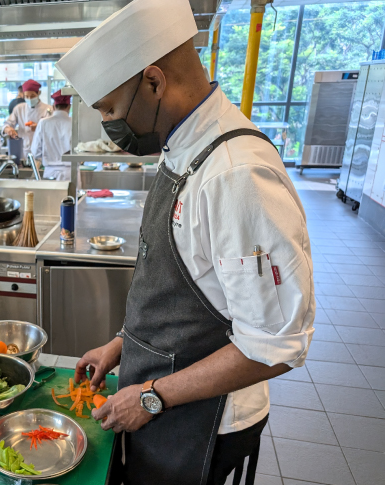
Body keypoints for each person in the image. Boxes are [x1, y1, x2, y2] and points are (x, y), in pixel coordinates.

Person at [55, 0, 315, 483]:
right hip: (165, 401)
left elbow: (274, 346)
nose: (111, 130)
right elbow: (189, 289)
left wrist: (153, 395)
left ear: (154, 81)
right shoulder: (183, 144)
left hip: (207, 423)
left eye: (111, 109)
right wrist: (121, 344)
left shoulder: (236, 175)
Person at [3, 79, 51, 159]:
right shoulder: (19, 108)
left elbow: (52, 131)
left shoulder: (48, 109)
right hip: (23, 151)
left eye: (32, 96)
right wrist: (8, 129)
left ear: (38, 93)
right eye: (26, 96)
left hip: (42, 152)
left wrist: (39, 128)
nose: (29, 99)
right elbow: (7, 124)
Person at [31, 90, 72, 180]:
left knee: (51, 195)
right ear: (69, 106)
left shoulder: (43, 123)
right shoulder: (75, 123)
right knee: (72, 194)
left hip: (51, 173)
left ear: (53, 107)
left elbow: (35, 152)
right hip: (71, 173)